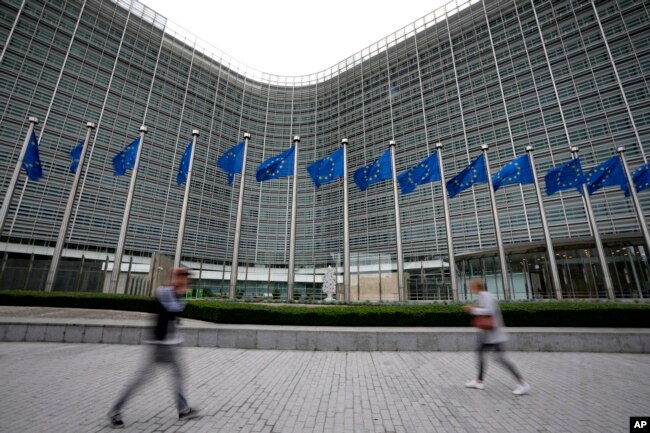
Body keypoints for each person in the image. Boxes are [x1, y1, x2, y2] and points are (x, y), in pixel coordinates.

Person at [108, 267, 200, 428]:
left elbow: (177, 310)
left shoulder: (176, 293)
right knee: (142, 380)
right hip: (160, 345)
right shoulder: (164, 291)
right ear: (174, 278)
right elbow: (174, 308)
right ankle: (115, 411)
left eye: (186, 280)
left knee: (178, 375)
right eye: (182, 278)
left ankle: (183, 409)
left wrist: (180, 292)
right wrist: (179, 291)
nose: (185, 282)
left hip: (170, 344)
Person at [462, 278, 530, 395]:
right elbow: (481, 311)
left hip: (494, 334)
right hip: (487, 334)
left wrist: (473, 309)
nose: (470, 289)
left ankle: (522, 383)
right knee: (480, 353)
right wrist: (473, 309)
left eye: (472, 287)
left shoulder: (487, 296)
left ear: (477, 287)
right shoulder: (479, 297)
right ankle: (479, 381)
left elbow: (490, 311)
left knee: (500, 358)